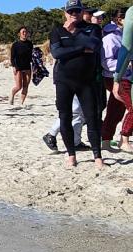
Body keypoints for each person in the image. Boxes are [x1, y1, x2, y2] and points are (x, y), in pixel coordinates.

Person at [50, 0, 105, 167]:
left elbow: (94, 45)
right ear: (65, 13)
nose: (74, 14)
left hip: (86, 81)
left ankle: (98, 157)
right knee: (65, 117)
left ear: (82, 12)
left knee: (92, 118)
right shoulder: (57, 31)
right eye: (71, 11)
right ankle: (71, 155)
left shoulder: (92, 28)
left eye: (77, 11)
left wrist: (75, 33)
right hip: (64, 81)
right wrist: (81, 49)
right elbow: (57, 53)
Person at [101, 10, 125, 148]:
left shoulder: (124, 35)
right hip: (113, 77)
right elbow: (106, 62)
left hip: (124, 75)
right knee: (122, 107)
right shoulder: (110, 37)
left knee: (117, 108)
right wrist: (126, 64)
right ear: (120, 19)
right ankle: (123, 138)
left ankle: (106, 138)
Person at [10, 27, 34, 105]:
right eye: (23, 32)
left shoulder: (30, 44)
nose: (25, 33)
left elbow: (32, 56)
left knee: (25, 86)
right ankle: (12, 95)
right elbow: (12, 57)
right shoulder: (15, 45)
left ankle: (21, 103)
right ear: (19, 34)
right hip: (18, 67)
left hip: (27, 66)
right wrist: (13, 66)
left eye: (26, 32)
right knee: (18, 86)